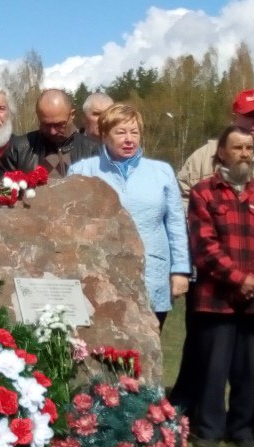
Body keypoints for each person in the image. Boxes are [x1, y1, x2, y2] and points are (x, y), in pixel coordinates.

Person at [170, 87, 254, 418]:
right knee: (208, 354)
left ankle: (245, 423)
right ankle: (202, 416)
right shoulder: (203, 162)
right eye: (250, 116)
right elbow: (185, 204)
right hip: (214, 282)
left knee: (250, 362)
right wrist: (231, 274)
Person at [186, 126, 254, 447]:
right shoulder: (204, 193)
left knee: (248, 368)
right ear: (221, 152)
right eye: (236, 147)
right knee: (214, 365)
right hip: (216, 294)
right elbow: (204, 245)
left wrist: (252, 277)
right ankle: (209, 429)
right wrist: (237, 278)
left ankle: (243, 429)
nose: (243, 153)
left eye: (249, 148)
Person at [69, 103, 189, 329]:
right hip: (101, 273)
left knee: (148, 351)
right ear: (104, 135)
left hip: (152, 274)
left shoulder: (162, 172)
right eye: (121, 132)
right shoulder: (82, 170)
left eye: (134, 132)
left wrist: (180, 270)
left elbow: (175, 225)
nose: (129, 139)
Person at [178, 88, 254, 208]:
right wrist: (196, 223)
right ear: (234, 118)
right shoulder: (203, 156)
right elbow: (181, 197)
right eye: (251, 115)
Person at [0, 89, 99, 177]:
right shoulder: (17, 149)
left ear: (72, 115)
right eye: (45, 124)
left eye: (59, 124)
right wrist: (22, 192)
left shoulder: (93, 150)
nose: (52, 131)